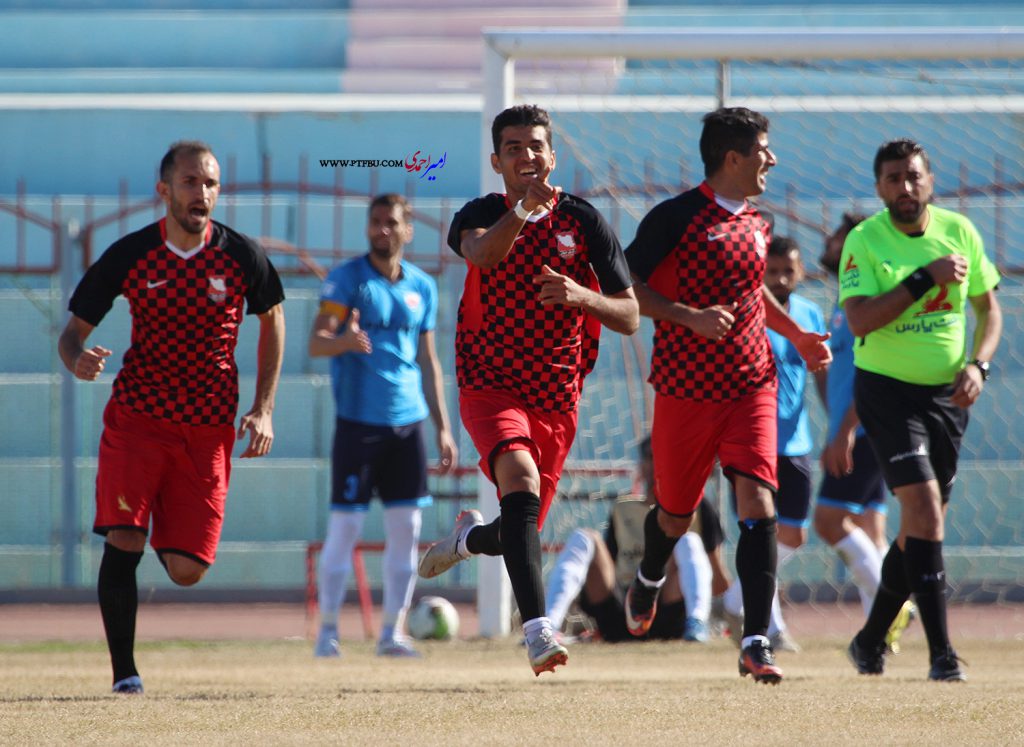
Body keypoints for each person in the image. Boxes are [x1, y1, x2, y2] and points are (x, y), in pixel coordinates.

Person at [417, 104, 639, 676]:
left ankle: (468, 539)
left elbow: (630, 314)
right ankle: (539, 630)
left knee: (521, 526)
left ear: (552, 155)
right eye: (514, 147)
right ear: (497, 161)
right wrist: (520, 212)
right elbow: (482, 254)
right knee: (519, 480)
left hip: (557, 395)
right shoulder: (480, 214)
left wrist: (581, 296)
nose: (527, 156)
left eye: (536, 145)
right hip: (489, 384)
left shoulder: (585, 222)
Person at [57, 141, 286, 694]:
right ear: (164, 191)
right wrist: (78, 360)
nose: (201, 193)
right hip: (137, 421)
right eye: (189, 182)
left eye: (209, 183)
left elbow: (273, 318)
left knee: (187, 569)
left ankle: (155, 509)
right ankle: (124, 676)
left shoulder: (241, 256)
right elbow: (71, 336)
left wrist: (264, 407)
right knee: (125, 540)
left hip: (207, 430)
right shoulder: (130, 254)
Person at [623, 107, 832, 685]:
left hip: (751, 385)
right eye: (763, 150)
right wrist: (685, 316)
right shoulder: (676, 218)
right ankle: (649, 576)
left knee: (758, 506)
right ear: (733, 157)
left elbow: (751, 294)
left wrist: (796, 335)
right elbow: (622, 291)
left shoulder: (758, 223)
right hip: (686, 393)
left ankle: (755, 641)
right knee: (675, 513)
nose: (772, 159)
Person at [841, 139, 1001, 682]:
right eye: (892, 178)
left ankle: (868, 642)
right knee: (926, 510)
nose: (904, 188)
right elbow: (861, 321)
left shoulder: (961, 231)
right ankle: (942, 655)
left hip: (947, 399)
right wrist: (922, 277)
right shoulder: (864, 240)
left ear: (930, 180)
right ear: (879, 186)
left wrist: (979, 366)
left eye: (912, 176)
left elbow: (989, 311)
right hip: (887, 391)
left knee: (917, 531)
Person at [309, 193, 458, 659]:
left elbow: (428, 360)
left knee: (407, 530)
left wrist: (443, 427)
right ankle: (328, 633)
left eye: (391, 223)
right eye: (375, 222)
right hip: (358, 423)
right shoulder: (347, 281)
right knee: (345, 530)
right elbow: (317, 342)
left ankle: (393, 632)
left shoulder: (422, 287)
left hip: (408, 424)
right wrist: (345, 342)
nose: (382, 230)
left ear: (407, 229)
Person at [719, 235, 827, 653]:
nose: (781, 278)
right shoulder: (750, 313)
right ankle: (772, 629)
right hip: (750, 441)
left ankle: (733, 599)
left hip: (795, 444)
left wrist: (839, 425)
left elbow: (819, 372)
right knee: (759, 532)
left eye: (788, 270)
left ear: (800, 272)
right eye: (773, 271)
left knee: (793, 535)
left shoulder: (808, 314)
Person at [814, 213, 915, 651]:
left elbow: (874, 371)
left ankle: (893, 609)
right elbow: (834, 372)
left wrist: (846, 430)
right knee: (872, 529)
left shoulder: (866, 303)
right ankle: (882, 637)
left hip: (865, 428)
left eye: (839, 236)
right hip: (856, 427)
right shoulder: (843, 303)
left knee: (828, 519)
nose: (830, 241)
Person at [544, 437, 727, 644]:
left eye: (665, 457)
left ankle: (696, 623)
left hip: (668, 608)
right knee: (584, 538)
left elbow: (719, 582)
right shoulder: (623, 508)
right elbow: (608, 568)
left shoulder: (700, 508)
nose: (658, 463)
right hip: (622, 609)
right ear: (642, 465)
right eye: (651, 457)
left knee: (689, 540)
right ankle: (547, 628)